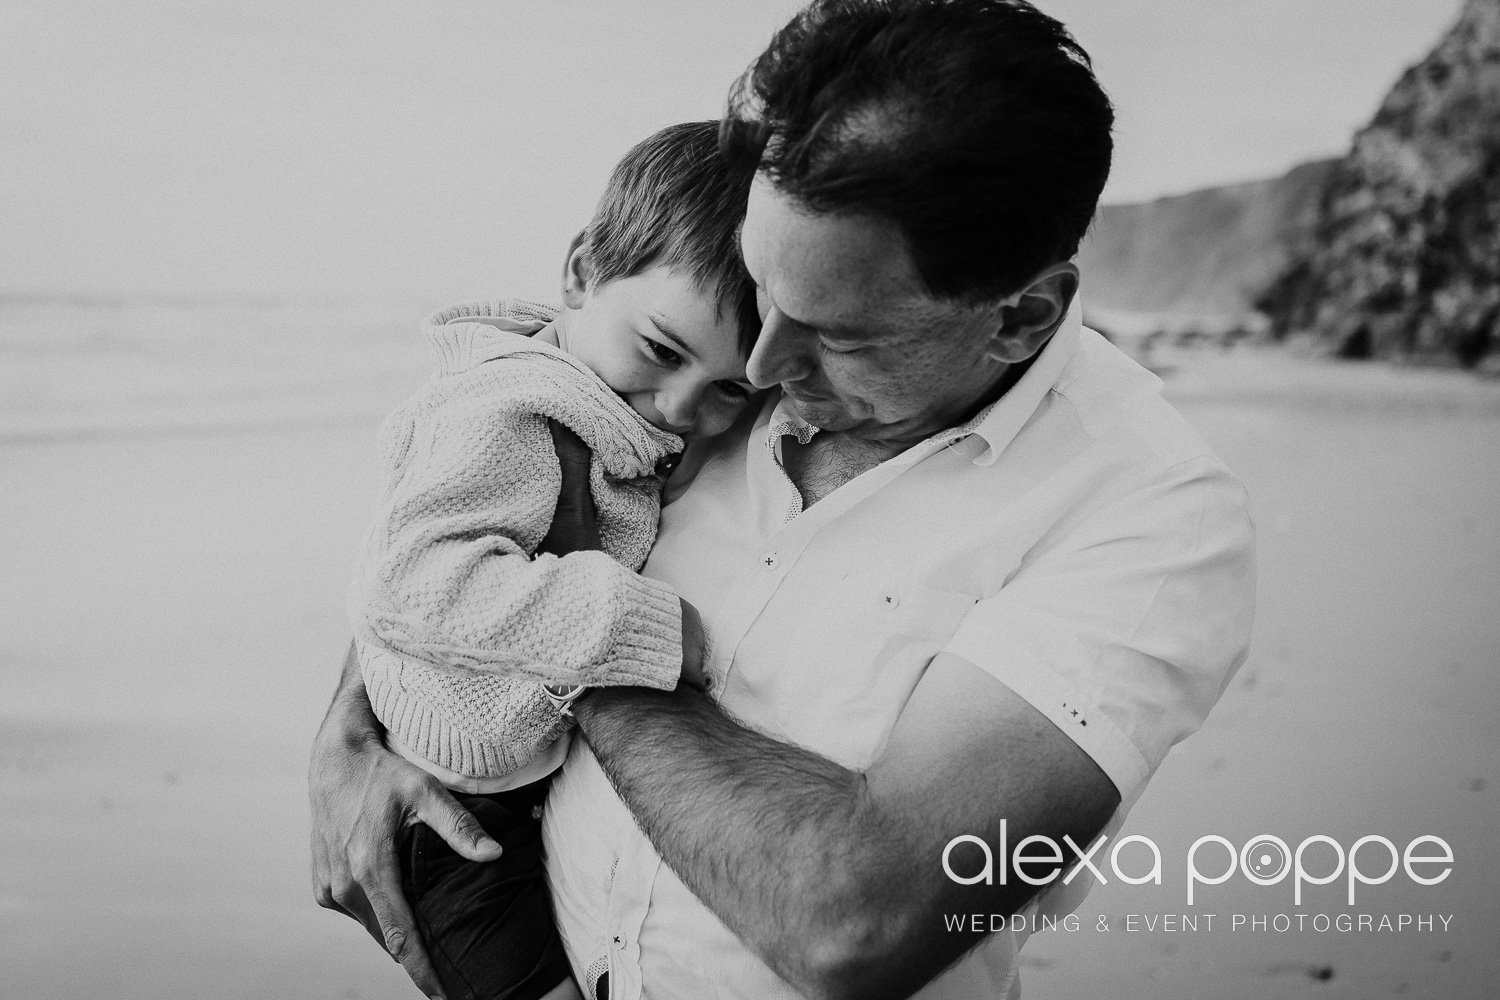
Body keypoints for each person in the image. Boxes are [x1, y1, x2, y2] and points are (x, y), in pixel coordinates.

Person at [309, 1, 1256, 998]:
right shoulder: (687, 353)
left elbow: (855, 921)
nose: (759, 368)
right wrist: (352, 728)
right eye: (764, 287)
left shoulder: (1149, 518)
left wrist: (597, 644)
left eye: (834, 333)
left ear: (1021, 316)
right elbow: (466, 476)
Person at [344, 120, 760, 1000]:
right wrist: (646, 625)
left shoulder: (605, 401)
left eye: (731, 388)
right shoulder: (511, 411)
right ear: (580, 273)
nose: (683, 406)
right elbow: (413, 583)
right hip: (454, 822)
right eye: (661, 350)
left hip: (525, 789)